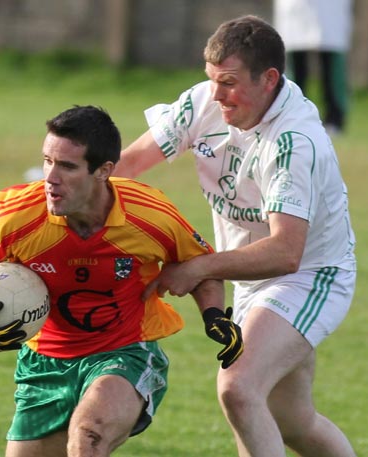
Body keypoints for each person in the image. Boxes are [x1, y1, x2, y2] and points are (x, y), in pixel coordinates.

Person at [0, 105, 243, 456]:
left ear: (104, 171)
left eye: (66, 166)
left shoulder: (148, 215)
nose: (50, 176)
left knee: (87, 435)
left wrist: (214, 316)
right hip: (43, 364)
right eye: (47, 160)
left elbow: (200, 264)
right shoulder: (15, 215)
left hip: (124, 352)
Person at [113, 15, 357, 457]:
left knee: (239, 388)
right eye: (211, 80)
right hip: (250, 278)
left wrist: (200, 268)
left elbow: (286, 252)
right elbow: (126, 166)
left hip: (310, 275)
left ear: (269, 79)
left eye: (228, 83)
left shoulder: (293, 142)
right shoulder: (204, 102)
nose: (216, 95)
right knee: (293, 423)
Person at [273, 0, 353, 135]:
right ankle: (292, 114)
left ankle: (334, 119)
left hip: (330, 7)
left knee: (332, 61)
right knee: (295, 63)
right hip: (295, 7)